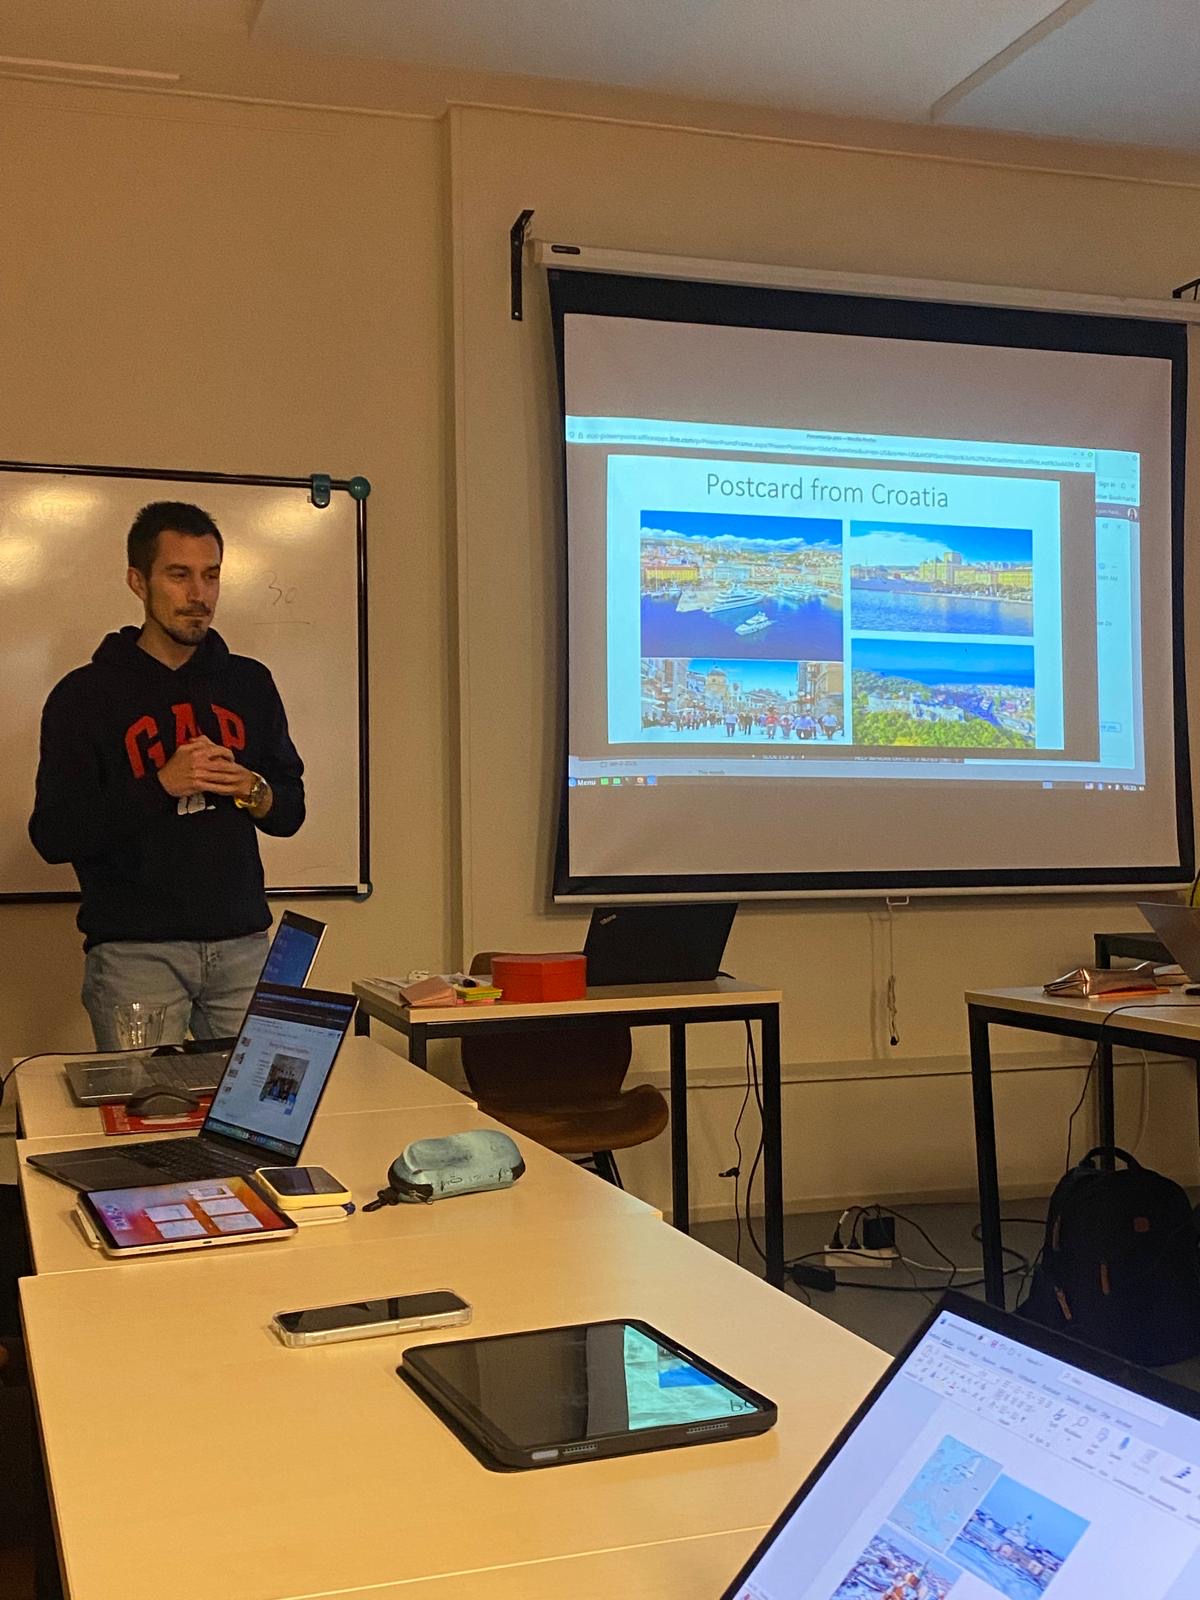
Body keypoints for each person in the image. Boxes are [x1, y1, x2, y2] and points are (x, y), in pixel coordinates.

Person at [29, 501, 305, 1049]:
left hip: (244, 944)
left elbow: (290, 811)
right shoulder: (84, 695)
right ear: (139, 582)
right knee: (146, 1101)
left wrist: (251, 788)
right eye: (179, 575)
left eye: (211, 575)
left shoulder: (249, 684)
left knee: (262, 1099)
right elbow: (53, 835)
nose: (199, 594)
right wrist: (161, 786)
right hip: (135, 952)